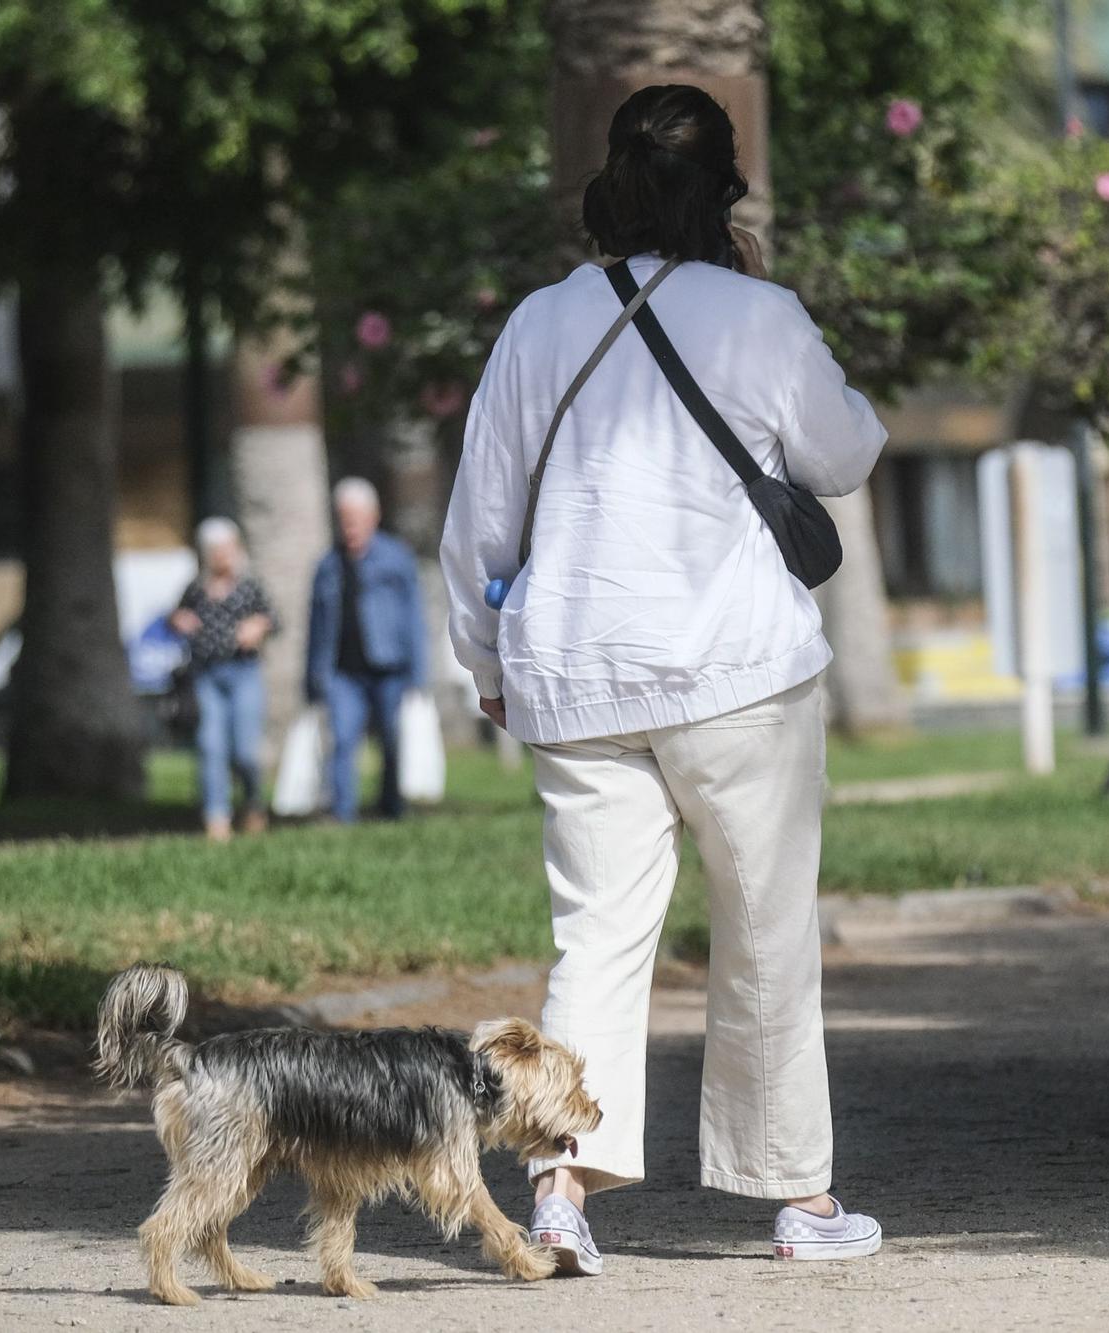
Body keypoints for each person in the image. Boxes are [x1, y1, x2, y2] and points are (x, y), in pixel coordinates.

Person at [440, 84, 889, 1271]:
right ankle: (797, 1202)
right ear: (724, 186)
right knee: (764, 930)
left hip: (575, 669)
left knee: (595, 940)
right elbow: (840, 453)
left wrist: (486, 663)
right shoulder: (759, 313)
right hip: (739, 670)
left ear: (610, 179)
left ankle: (559, 1196)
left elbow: (480, 514)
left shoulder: (538, 323)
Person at [307, 478, 427, 822]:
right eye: (344, 518)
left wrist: (418, 672)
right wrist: (311, 678)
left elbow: (413, 617)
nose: (350, 526)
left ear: (374, 516)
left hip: (389, 667)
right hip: (342, 671)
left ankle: (391, 809)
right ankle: (343, 815)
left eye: (356, 518)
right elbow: (316, 626)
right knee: (343, 740)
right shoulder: (327, 565)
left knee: (391, 740)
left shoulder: (396, 557)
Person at [171, 518, 278, 841]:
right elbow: (175, 616)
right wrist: (178, 620)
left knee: (245, 749)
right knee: (211, 745)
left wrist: (259, 625)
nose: (222, 556)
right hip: (207, 675)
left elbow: (274, 618)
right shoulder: (195, 588)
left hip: (243, 673)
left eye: (227, 548)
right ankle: (216, 816)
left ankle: (253, 801)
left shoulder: (249, 587)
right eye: (216, 550)